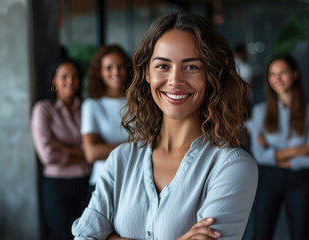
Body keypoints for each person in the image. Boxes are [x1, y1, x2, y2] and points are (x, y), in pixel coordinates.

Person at [73, 12, 258, 240]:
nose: (175, 80)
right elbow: (83, 237)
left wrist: (110, 237)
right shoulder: (120, 159)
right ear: (147, 73)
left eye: (191, 67)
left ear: (211, 74)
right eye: (163, 66)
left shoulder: (231, 166)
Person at [246, 54, 309, 239]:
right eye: (272, 74)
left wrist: (274, 153)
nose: (277, 79)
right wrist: (301, 150)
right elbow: (259, 155)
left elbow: (267, 155)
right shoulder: (259, 112)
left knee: (301, 235)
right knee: (260, 235)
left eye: (282, 73)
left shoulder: (307, 113)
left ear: (295, 74)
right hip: (268, 179)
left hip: (301, 180)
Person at [31, 58, 91, 240]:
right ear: (53, 81)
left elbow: (93, 152)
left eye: (75, 76)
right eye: (64, 76)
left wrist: (61, 146)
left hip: (87, 183)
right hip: (57, 186)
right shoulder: (43, 109)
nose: (70, 81)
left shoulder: (86, 107)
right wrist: (82, 150)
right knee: (62, 235)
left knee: (90, 235)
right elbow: (48, 156)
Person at [81, 44, 132, 190]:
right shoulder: (92, 105)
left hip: (137, 180)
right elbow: (92, 153)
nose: (116, 72)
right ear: (99, 72)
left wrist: (106, 148)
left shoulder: (139, 101)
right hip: (103, 182)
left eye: (120, 66)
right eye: (109, 68)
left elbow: (153, 143)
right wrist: (136, 143)